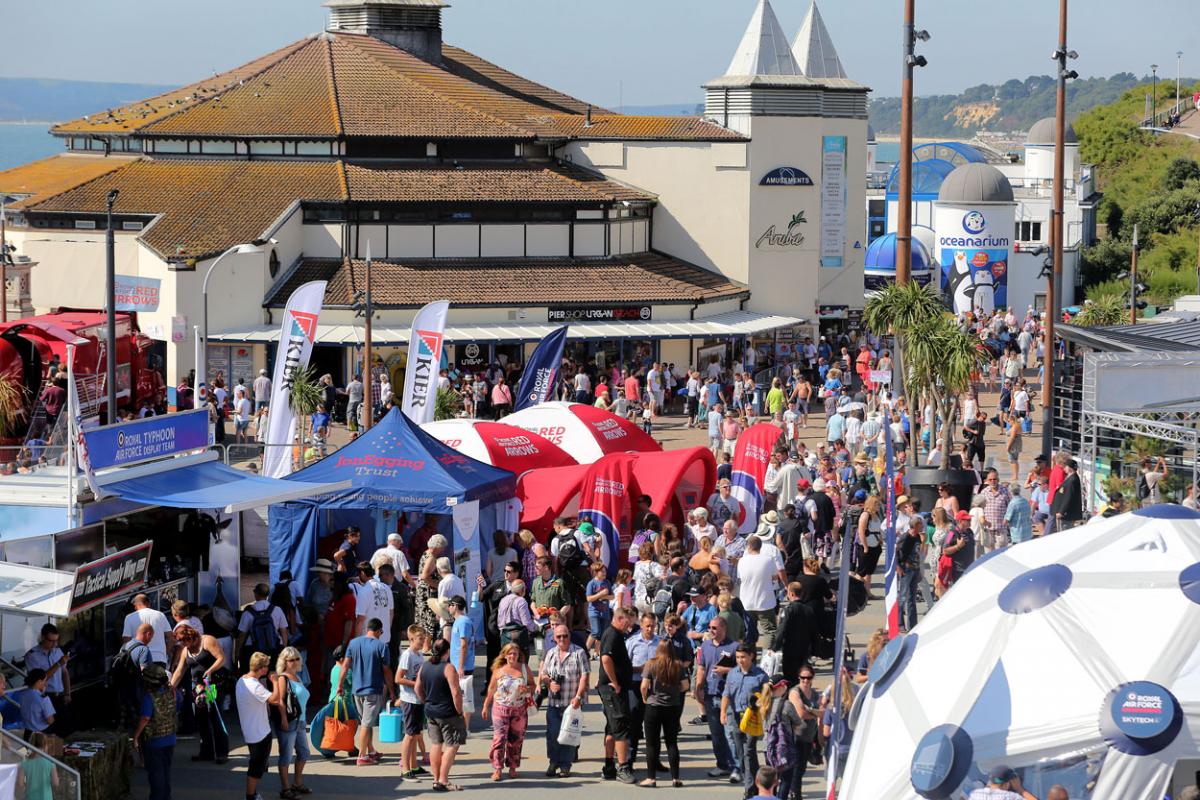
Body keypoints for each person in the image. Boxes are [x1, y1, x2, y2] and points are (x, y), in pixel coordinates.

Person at [168, 624, 229, 764]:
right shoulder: (186, 650)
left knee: (215, 717)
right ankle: (206, 752)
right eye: (180, 641)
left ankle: (222, 753)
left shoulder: (207, 641)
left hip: (214, 685)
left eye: (183, 640)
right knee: (201, 718)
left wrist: (211, 670)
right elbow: (180, 670)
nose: (182, 644)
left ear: (191, 636)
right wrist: (171, 686)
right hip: (198, 687)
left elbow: (221, 658)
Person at [338, 617, 394, 766]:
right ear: (378, 630)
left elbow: (345, 666)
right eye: (381, 632)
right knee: (366, 724)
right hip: (373, 690)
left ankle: (371, 750)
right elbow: (386, 670)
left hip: (357, 690)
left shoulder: (354, 643)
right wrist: (392, 690)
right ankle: (362, 756)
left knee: (365, 721)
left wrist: (340, 685)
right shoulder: (382, 646)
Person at [538, 623, 590, 778]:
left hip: (572, 703)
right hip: (554, 702)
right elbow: (544, 674)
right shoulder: (551, 653)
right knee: (552, 733)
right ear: (554, 638)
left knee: (569, 735)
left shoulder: (579, 652)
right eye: (559, 636)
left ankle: (565, 765)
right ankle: (553, 762)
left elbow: (585, 676)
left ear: (569, 636)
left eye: (565, 636)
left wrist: (579, 697)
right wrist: (549, 683)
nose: (562, 639)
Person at [416, 638, 466, 792]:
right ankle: (443, 780)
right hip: (448, 712)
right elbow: (456, 692)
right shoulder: (448, 668)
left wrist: (426, 701)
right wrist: (459, 711)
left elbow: (418, 688)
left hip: (431, 711)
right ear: (448, 651)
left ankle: (436, 779)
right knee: (452, 745)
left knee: (436, 744)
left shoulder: (425, 666)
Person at [639, 639, 689, 788]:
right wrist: (674, 692)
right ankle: (676, 778)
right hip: (672, 707)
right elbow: (685, 686)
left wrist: (645, 698)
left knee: (651, 743)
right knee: (672, 742)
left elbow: (644, 686)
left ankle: (651, 778)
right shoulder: (678, 665)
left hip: (654, 706)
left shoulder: (651, 664)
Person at [481, 643, 534, 781]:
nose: (512, 656)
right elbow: (491, 689)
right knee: (499, 740)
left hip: (519, 710)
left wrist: (527, 689)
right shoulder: (498, 670)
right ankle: (497, 769)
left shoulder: (524, 668)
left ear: (518, 655)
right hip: (500, 709)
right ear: (504, 655)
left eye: (515, 653)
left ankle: (513, 767)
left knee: (515, 740)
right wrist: (486, 706)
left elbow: (533, 685)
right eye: (509, 653)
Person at [235, 653, 284, 800]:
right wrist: (275, 682)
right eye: (267, 666)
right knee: (256, 767)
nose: (268, 669)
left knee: (257, 765)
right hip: (259, 733)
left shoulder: (242, 680)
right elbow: (275, 700)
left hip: (252, 730)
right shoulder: (254, 686)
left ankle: (253, 793)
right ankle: (250, 796)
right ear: (262, 669)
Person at [597, 607, 637, 783]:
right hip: (613, 690)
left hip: (612, 688)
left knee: (612, 727)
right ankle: (623, 767)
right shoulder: (613, 634)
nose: (630, 625)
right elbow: (606, 658)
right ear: (620, 619)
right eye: (628, 622)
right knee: (620, 727)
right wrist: (615, 681)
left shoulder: (614, 634)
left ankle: (609, 766)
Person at [722, 644, 768, 793]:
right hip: (735, 716)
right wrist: (723, 712)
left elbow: (767, 699)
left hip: (751, 718)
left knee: (749, 751)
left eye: (743, 657)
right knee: (740, 752)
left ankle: (749, 789)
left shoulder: (760, 676)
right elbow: (726, 694)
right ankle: (752, 780)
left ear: (751, 657)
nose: (740, 660)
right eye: (737, 657)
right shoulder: (732, 673)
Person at [132, 664, 177, 800]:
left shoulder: (148, 697)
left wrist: (136, 736)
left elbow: (145, 718)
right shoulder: (172, 692)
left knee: (156, 775)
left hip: (155, 741)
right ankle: (166, 797)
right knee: (165, 771)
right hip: (170, 738)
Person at [274, 647, 310, 799]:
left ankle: (297, 783)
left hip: (301, 722)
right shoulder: (283, 678)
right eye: (291, 660)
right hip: (289, 722)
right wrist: (283, 719)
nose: (295, 662)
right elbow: (280, 700)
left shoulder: (297, 676)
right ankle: (285, 789)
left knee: (304, 753)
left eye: (297, 658)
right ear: (284, 662)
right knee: (286, 757)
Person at [739, 536, 785, 650]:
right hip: (765, 602)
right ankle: (767, 659)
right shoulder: (768, 560)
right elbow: (775, 577)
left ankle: (750, 659)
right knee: (769, 632)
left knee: (750, 632)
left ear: (749, 546)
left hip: (747, 603)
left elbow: (740, 577)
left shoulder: (742, 560)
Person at [395, 625, 427, 779]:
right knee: (409, 734)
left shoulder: (420, 655)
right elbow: (398, 678)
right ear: (412, 639)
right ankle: (405, 768)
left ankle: (414, 765)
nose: (422, 642)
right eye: (420, 639)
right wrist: (416, 685)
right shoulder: (407, 655)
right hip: (409, 699)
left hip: (418, 699)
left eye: (423, 638)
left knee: (415, 733)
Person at [23, 624, 72, 725]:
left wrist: (67, 693)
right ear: (43, 638)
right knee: (48, 730)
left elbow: (64, 672)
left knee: (64, 728)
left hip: (60, 695)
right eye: (51, 641)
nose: (54, 644)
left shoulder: (57, 651)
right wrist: (58, 664)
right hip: (45, 696)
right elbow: (38, 680)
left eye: (56, 640)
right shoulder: (32, 656)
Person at [235, 583, 288, 674]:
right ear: (268, 594)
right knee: (273, 675)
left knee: (252, 675)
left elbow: (242, 636)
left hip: (253, 649)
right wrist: (284, 648)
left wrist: (237, 654)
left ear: (255, 594)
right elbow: (284, 632)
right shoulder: (277, 610)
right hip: (274, 647)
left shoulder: (248, 613)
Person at [122, 594, 174, 666]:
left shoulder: (129, 618)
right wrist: (164, 652)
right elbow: (171, 639)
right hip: (159, 658)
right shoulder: (160, 615)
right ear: (148, 604)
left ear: (135, 605)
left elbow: (126, 641)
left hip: (139, 660)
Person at [20, 666, 70, 737]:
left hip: (28, 732)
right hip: (43, 733)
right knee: (55, 747)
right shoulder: (43, 698)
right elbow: (50, 720)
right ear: (39, 681)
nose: (46, 683)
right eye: (45, 680)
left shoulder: (23, 694)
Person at [968, 764, 1040, 799]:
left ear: (991, 781)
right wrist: (1020, 789)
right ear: (1007, 784)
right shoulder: (1010, 797)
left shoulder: (975, 794)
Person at [1050, 458, 1083, 531]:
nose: (1064, 468)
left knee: (1064, 531)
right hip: (1066, 513)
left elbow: (1068, 497)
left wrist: (1062, 511)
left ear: (1069, 468)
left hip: (1067, 514)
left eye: (1065, 467)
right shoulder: (1070, 478)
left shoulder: (1072, 480)